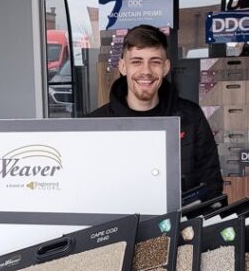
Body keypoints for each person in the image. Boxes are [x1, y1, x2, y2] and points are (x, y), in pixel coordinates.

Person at [91, 24, 223, 200]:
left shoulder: (191, 117)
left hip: (180, 225)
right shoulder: (95, 124)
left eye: (155, 62)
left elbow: (211, 184)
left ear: (166, 67)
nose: (146, 71)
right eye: (136, 62)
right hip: (120, 227)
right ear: (123, 66)